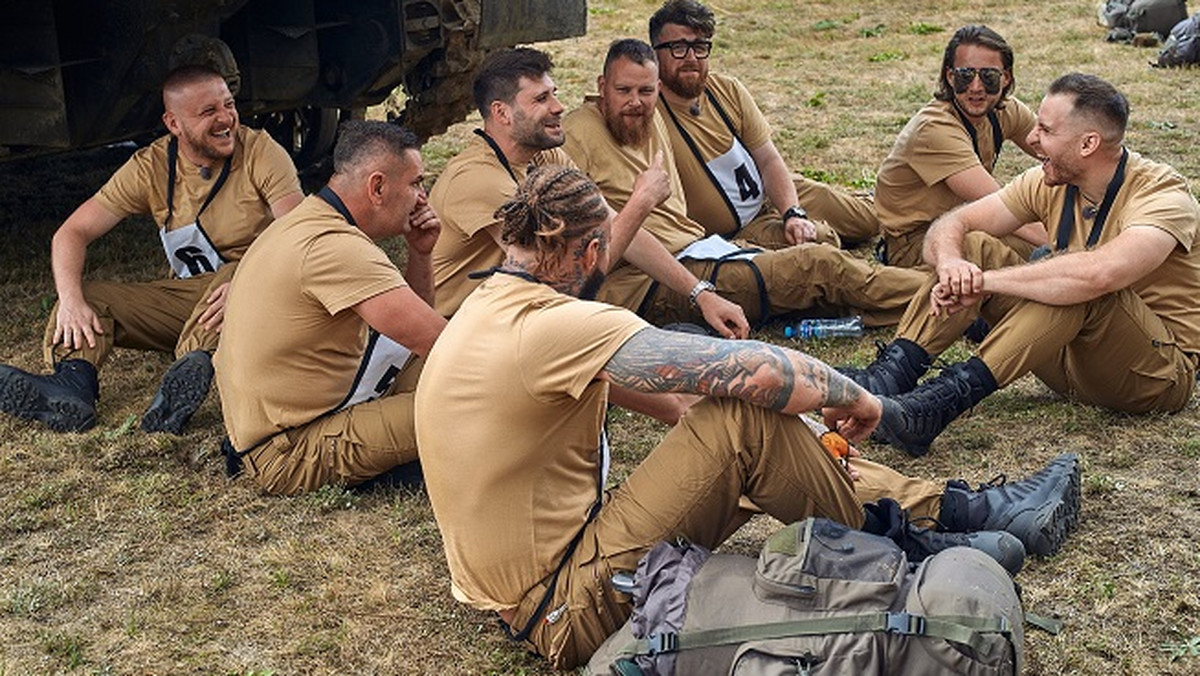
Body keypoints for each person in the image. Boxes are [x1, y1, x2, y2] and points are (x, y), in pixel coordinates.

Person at [416, 165, 1081, 671]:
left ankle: (952, 512)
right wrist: (859, 399)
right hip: (566, 607)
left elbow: (684, 408)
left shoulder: (489, 308)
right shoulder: (553, 324)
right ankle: (914, 539)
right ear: (593, 253)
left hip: (545, 587)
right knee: (744, 418)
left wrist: (795, 427)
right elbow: (763, 375)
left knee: (737, 426)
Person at [842, 73, 1200, 458]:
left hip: (1153, 375)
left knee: (1077, 284)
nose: (1030, 139)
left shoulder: (1163, 195)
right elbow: (953, 224)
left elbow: (1101, 274)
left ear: (1088, 144)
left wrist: (988, 283)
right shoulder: (1049, 182)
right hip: (1066, 358)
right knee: (975, 247)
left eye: (1044, 130)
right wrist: (951, 265)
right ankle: (891, 376)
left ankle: (935, 406)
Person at [0, 65, 302, 435]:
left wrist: (246, 282)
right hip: (190, 299)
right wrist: (70, 299)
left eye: (228, 104)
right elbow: (72, 232)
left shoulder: (261, 151)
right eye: (209, 112)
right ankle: (73, 383)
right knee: (89, 297)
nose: (227, 119)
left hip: (262, 294)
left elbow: (297, 233)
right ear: (173, 124)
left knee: (235, 270)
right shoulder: (152, 165)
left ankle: (191, 367)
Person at [564, 39, 924, 329]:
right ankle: (946, 295)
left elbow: (764, 154)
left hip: (703, 250)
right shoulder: (576, 136)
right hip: (650, 283)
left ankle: (913, 297)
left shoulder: (655, 116)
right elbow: (604, 247)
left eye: (645, 91)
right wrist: (700, 292)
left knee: (821, 245)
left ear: (658, 88)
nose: (635, 102)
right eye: (623, 90)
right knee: (820, 266)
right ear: (601, 87)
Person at [430, 47, 750, 341]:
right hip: (461, 335)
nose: (558, 106)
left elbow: (609, 225)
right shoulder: (479, 181)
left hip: (520, 318)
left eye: (554, 94)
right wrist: (642, 202)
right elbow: (568, 281)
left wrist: (702, 294)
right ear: (501, 113)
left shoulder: (544, 156)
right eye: (541, 99)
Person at [215, 121, 445, 495]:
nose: (423, 197)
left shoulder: (306, 220)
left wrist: (421, 254)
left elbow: (411, 336)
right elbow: (440, 342)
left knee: (453, 377)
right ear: (377, 187)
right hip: (291, 451)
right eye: (416, 183)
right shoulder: (334, 248)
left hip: (293, 423)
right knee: (470, 401)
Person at [650, 0, 878, 249]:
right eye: (679, 48)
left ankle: (875, 198)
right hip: (742, 227)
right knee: (821, 242)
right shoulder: (649, 113)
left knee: (871, 220)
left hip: (771, 191)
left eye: (700, 47)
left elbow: (768, 159)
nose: (691, 58)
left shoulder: (726, 89)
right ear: (654, 53)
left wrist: (792, 212)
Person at [874, 25, 1048, 268]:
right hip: (918, 243)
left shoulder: (1004, 111)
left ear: (1005, 78)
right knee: (1040, 260)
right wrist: (1075, 245)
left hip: (966, 222)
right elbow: (1004, 207)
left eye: (988, 76)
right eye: (965, 75)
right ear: (950, 76)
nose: (976, 87)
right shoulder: (934, 129)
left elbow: (1060, 151)